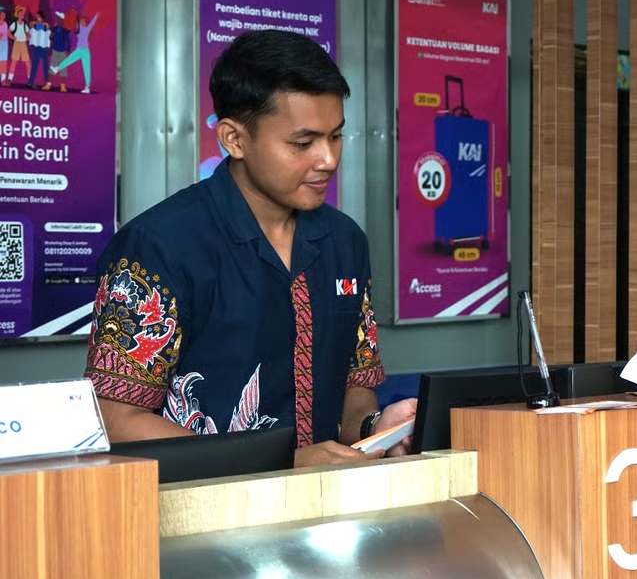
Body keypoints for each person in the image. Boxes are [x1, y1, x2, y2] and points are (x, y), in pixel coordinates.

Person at [85, 29, 416, 468]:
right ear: (234, 139)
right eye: (303, 143)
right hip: (198, 505)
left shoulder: (344, 241)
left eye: (336, 136)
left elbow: (355, 388)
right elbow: (115, 419)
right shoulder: (159, 247)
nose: (328, 159)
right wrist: (283, 466)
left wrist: (376, 427)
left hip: (325, 504)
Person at [50, 11, 99, 93]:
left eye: (84, 21)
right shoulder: (78, 28)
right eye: (81, 21)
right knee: (68, 60)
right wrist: (67, 16)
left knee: (87, 69)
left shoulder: (87, 29)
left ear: (86, 22)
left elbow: (92, 23)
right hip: (79, 50)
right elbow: (72, 21)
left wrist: (97, 15)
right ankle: (57, 69)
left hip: (86, 51)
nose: (82, 22)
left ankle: (87, 87)